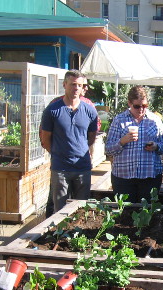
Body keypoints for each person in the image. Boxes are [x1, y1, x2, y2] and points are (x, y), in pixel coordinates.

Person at [40, 69, 99, 213]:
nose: (76, 88)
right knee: (59, 210)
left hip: (82, 167)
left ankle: (77, 235)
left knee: (81, 209)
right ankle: (61, 235)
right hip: (60, 168)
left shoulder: (90, 111)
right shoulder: (52, 110)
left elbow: (91, 137)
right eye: (73, 84)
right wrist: (57, 152)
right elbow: (45, 138)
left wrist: (79, 149)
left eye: (79, 85)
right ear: (64, 84)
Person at [105, 85, 163, 202]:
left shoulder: (154, 119)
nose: (141, 109)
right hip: (123, 176)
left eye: (144, 106)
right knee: (125, 213)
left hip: (149, 176)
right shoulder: (119, 120)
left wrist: (156, 146)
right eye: (137, 106)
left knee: (146, 214)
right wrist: (122, 141)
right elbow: (108, 149)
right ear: (129, 103)